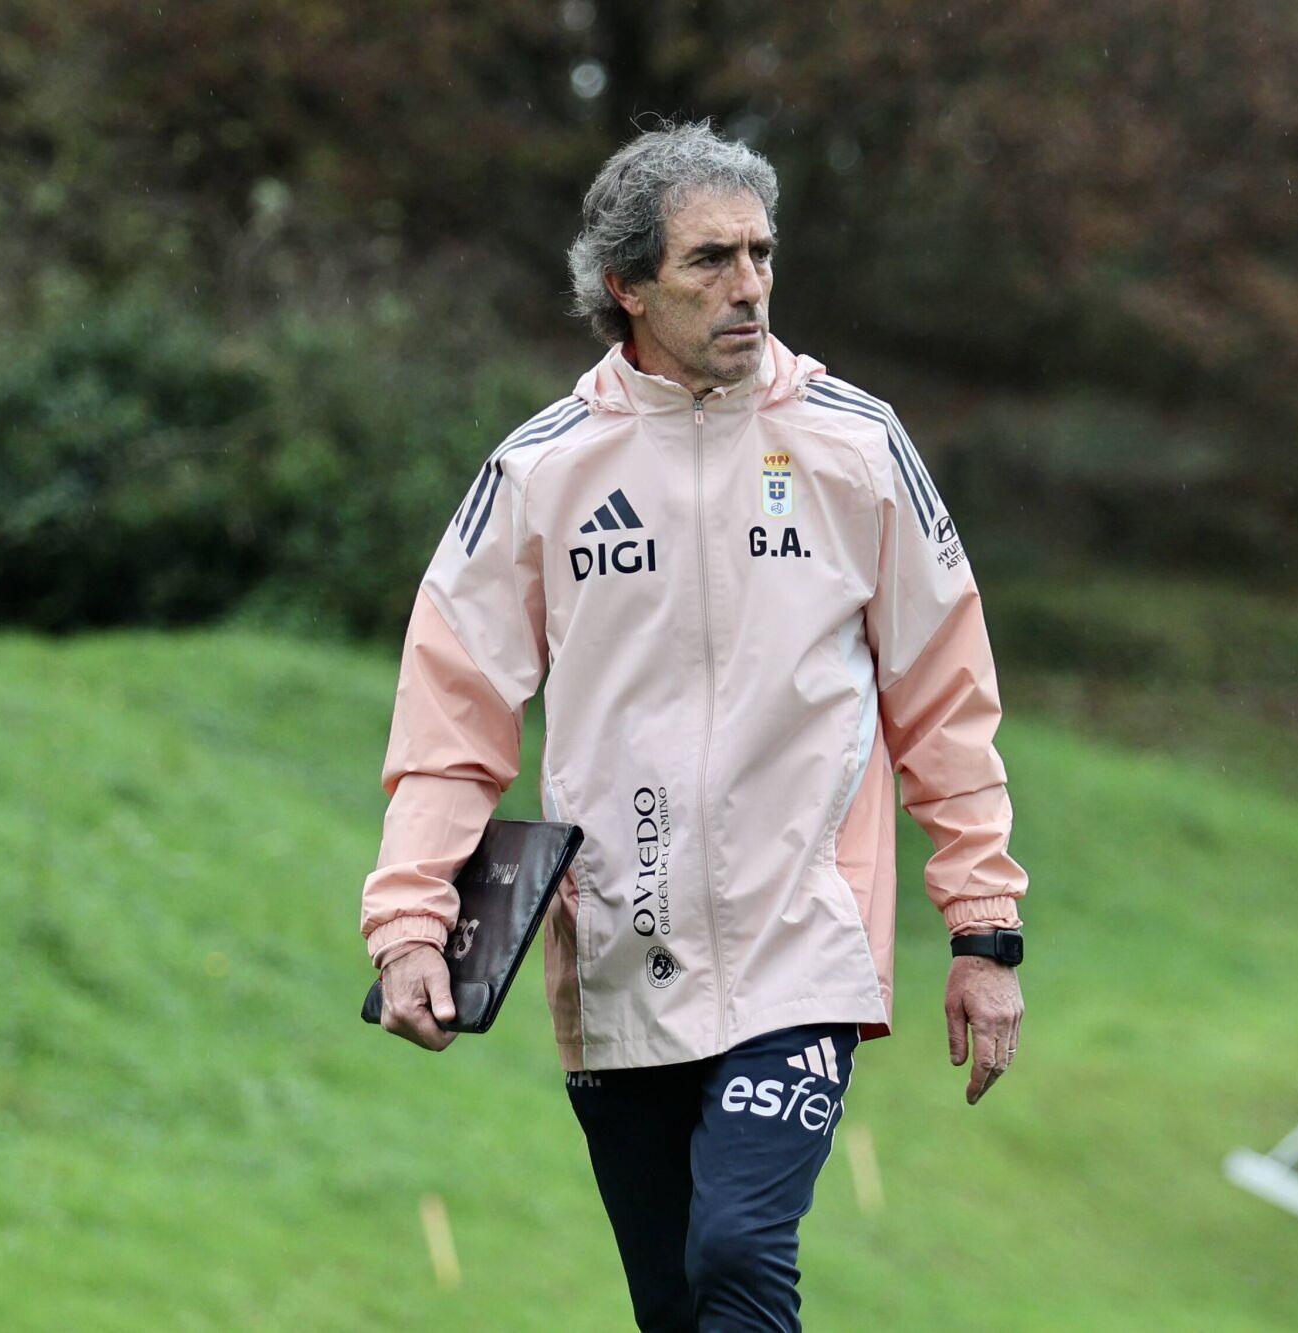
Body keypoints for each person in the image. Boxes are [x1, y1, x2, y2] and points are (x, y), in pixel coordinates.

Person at [358, 120, 1027, 1332]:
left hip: (802, 941)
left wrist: (982, 927)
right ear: (624, 286)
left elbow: (943, 693)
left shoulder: (857, 445)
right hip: (619, 947)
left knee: (735, 1249)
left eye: (761, 253)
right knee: (672, 1301)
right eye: (709, 260)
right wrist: (409, 923)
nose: (749, 285)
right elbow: (449, 722)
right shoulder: (537, 473)